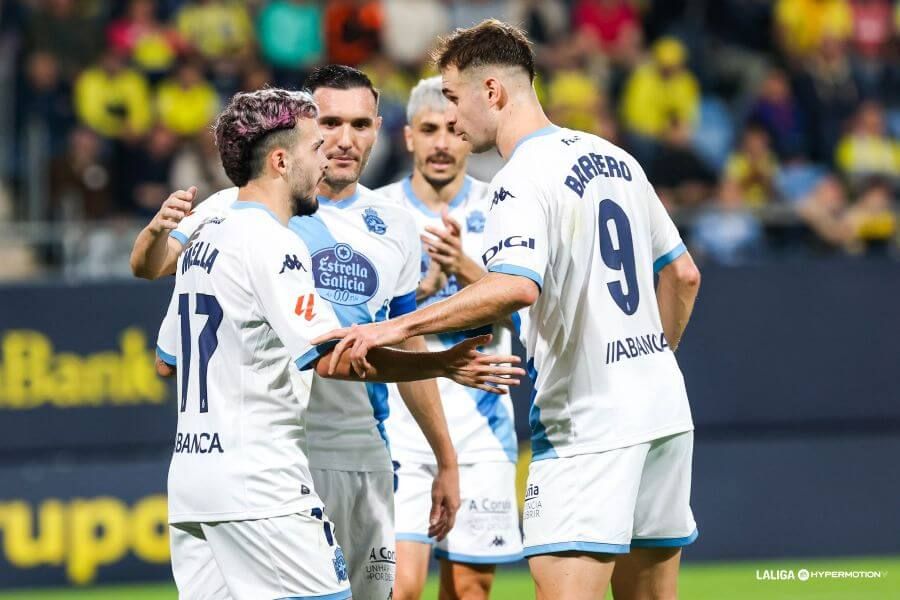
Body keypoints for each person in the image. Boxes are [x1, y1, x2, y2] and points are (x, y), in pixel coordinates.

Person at [315, 20, 702, 600]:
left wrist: (395, 325)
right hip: (665, 412)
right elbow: (683, 274)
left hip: (589, 423)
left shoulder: (520, 178)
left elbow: (516, 288)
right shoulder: (615, 158)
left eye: (453, 97)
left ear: (491, 91)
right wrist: (648, 361)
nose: (452, 119)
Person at [155, 87, 521, 599]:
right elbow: (331, 360)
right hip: (265, 477)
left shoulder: (210, 235)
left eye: (358, 125)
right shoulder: (273, 240)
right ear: (281, 160)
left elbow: (166, 359)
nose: (328, 152)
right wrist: (440, 363)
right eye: (316, 142)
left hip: (194, 478)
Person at [377, 76, 523, 600]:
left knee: (468, 591)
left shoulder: (503, 206)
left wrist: (461, 268)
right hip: (400, 425)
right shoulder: (378, 214)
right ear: (409, 137)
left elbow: (522, 304)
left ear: (467, 135)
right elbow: (362, 321)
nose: (441, 143)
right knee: (400, 588)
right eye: (429, 129)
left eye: (452, 130)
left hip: (481, 429)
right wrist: (422, 290)